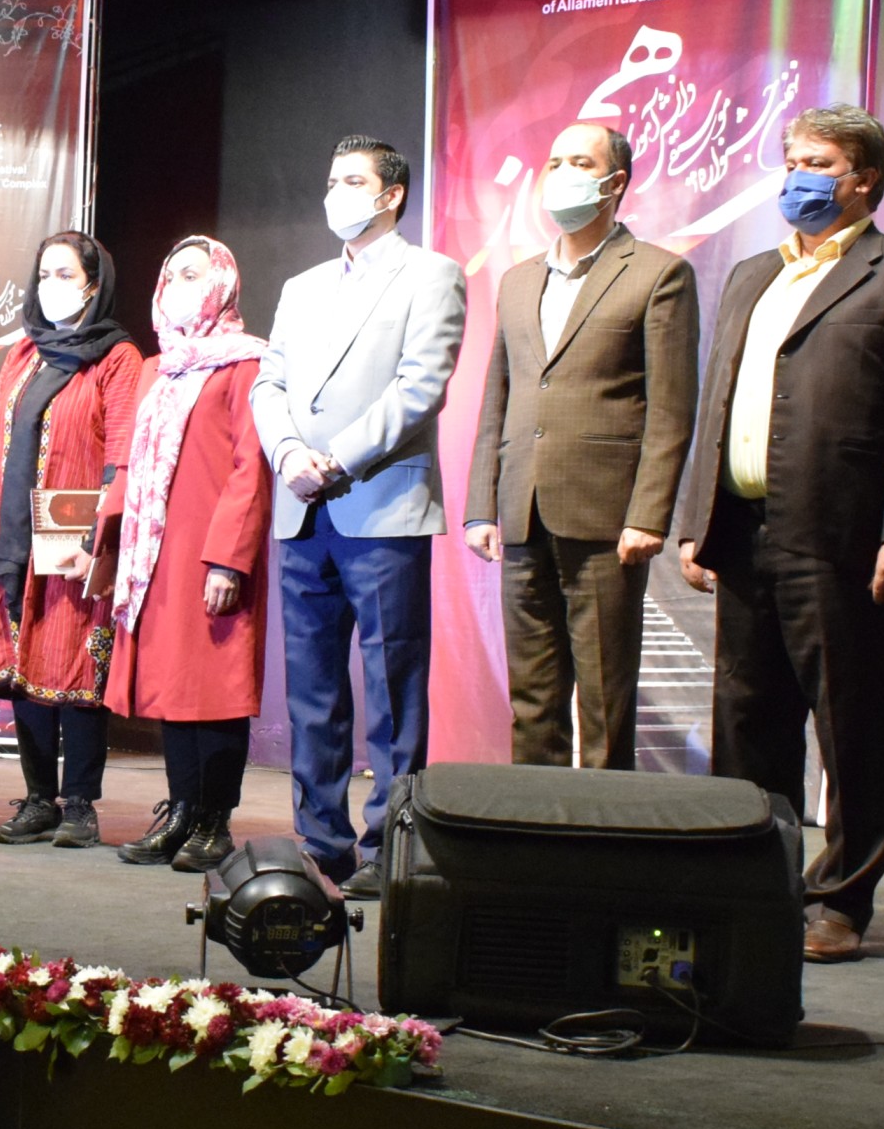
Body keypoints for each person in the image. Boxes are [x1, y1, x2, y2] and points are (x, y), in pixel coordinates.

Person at [677, 106, 884, 962]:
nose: (796, 175)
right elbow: (717, 401)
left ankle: (840, 901)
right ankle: (754, 887)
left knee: (854, 728)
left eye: (817, 162)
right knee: (747, 725)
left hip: (846, 539)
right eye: (790, 159)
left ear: (862, 178)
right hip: (744, 533)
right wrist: (695, 521)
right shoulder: (751, 274)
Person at [250, 137, 466, 898]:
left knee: (392, 687)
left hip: (379, 505)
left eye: (351, 180)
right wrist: (287, 453)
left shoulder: (431, 274)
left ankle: (390, 842)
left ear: (390, 194)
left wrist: (335, 459)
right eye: (331, 179)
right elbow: (269, 382)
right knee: (312, 692)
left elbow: (420, 388)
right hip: (302, 508)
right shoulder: (302, 285)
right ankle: (321, 843)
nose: (335, 193)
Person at [464, 119, 699, 772]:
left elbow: (670, 410)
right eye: (554, 162)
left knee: (603, 698)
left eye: (580, 163)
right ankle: (536, 822)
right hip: (523, 511)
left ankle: (605, 824)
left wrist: (648, 515)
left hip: (604, 517)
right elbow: (497, 398)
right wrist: (482, 505)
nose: (562, 174)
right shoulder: (517, 280)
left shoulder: (658, 274)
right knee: (532, 697)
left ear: (614, 182)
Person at [0, 231, 146, 852]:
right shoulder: (24, 353)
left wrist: (100, 539)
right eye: (44, 275)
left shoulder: (117, 358)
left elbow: (123, 453)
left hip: (74, 541)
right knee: (22, 668)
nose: (51, 286)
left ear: (94, 285)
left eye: (65, 275)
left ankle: (80, 806)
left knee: (76, 666)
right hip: (11, 537)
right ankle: (38, 798)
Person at [107, 236, 273, 872]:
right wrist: (108, 542)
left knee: (216, 688)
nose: (179, 285)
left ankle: (214, 820)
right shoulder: (158, 367)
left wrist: (229, 557)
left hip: (210, 552)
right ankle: (180, 811)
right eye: (171, 274)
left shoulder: (245, 363)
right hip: (156, 554)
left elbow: (251, 467)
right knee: (173, 687)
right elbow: (131, 460)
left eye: (193, 274)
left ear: (222, 284)